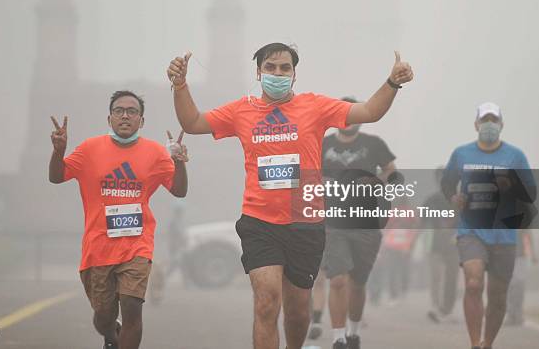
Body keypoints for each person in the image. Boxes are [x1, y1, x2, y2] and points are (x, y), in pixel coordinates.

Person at [167, 43, 413, 349]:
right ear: (259, 72)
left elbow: (370, 112)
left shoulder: (315, 106)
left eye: (285, 68)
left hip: (305, 224)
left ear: (295, 74)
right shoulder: (241, 111)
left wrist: (392, 83)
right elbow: (192, 123)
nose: (278, 73)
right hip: (259, 222)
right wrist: (180, 85)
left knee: (297, 311)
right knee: (267, 302)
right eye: (270, 67)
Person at [49, 90, 189, 349]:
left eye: (132, 111)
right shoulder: (90, 149)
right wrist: (59, 151)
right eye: (119, 111)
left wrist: (179, 162)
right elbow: (57, 176)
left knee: (133, 307)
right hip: (97, 248)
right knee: (103, 317)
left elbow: (179, 190)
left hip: (137, 245)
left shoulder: (156, 153)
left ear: (141, 121)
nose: (125, 116)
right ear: (109, 118)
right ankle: (112, 336)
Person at [441, 102, 536, 349]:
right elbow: (447, 183)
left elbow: (531, 191)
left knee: (497, 297)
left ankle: (487, 343)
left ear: (501, 125)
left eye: (494, 120)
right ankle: (474, 343)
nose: (489, 125)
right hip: (471, 230)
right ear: (476, 125)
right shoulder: (462, 154)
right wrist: (453, 197)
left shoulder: (515, 156)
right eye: (485, 120)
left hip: (504, 235)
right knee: (473, 283)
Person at [309, 104, 399, 349]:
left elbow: (392, 172)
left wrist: (376, 181)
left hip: (366, 223)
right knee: (337, 279)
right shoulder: (323, 143)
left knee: (357, 284)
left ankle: (353, 332)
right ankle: (338, 337)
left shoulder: (374, 144)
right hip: (333, 222)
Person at [426, 167, 460, 324]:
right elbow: (422, 221)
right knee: (436, 277)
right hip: (436, 245)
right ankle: (435, 305)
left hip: (454, 244)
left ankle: (447, 309)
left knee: (451, 278)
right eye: (439, 178)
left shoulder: (460, 200)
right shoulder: (432, 200)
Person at [505, 230, 538, 326]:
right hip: (507, 256)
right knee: (510, 286)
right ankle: (511, 315)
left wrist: (533, 254)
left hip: (521, 257)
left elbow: (529, 235)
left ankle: (518, 314)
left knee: (519, 285)